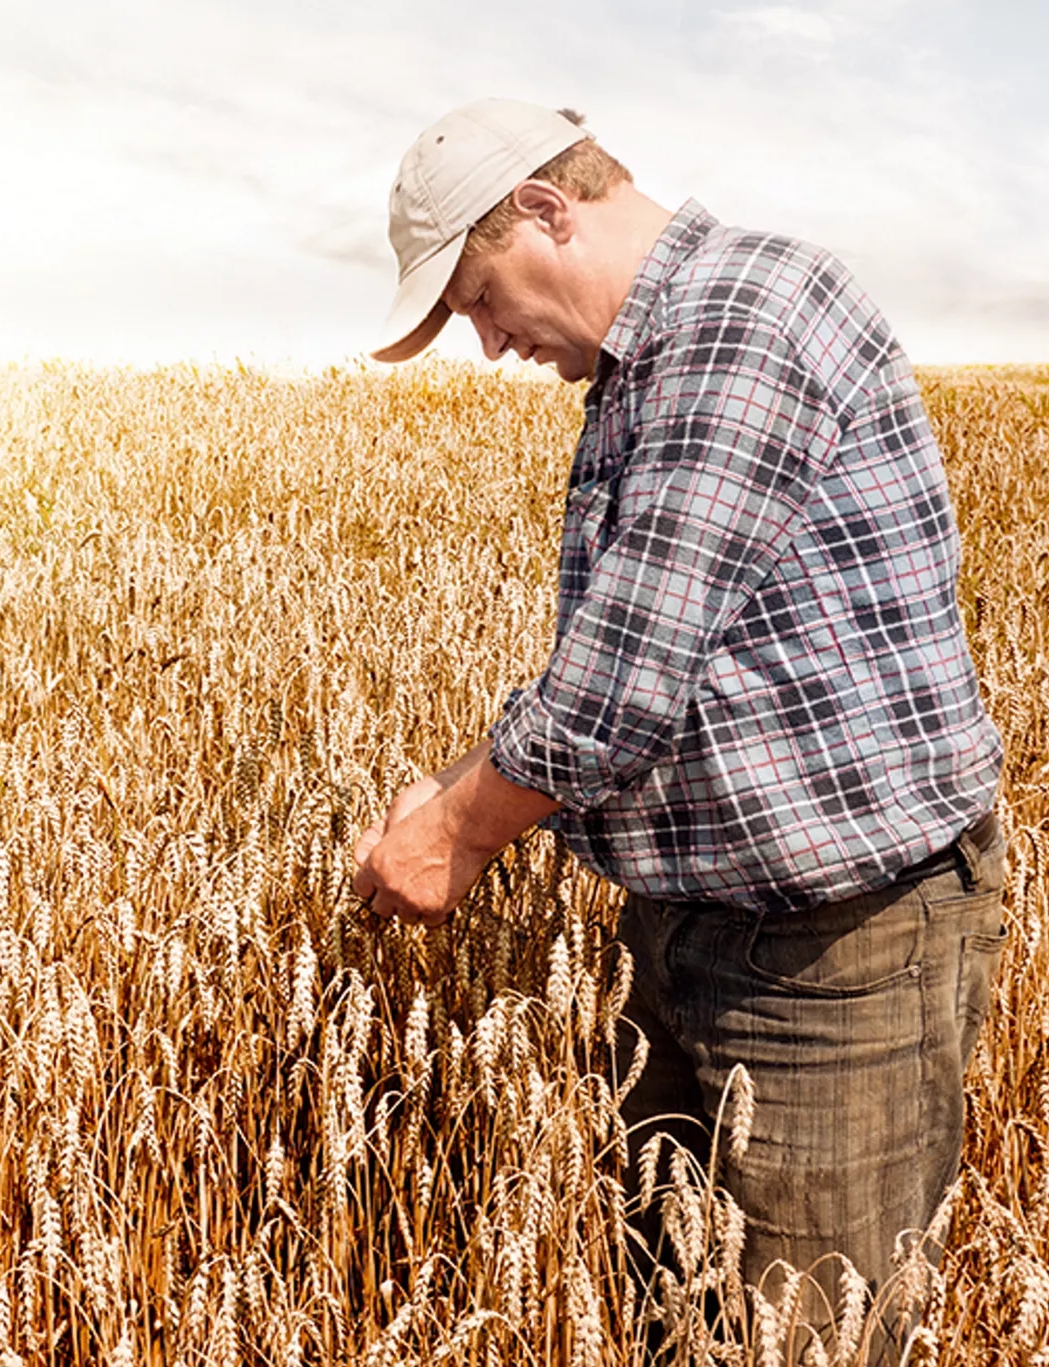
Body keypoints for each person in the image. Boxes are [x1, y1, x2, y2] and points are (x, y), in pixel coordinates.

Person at [347, 99, 1007, 1347]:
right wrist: (457, 788)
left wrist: (458, 832)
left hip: (839, 956)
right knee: (682, 1325)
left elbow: (621, 684)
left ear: (548, 211)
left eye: (479, 301)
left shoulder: (740, 325)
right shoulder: (653, 353)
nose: (488, 345)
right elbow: (648, 662)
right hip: (696, 932)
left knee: (804, 1336)